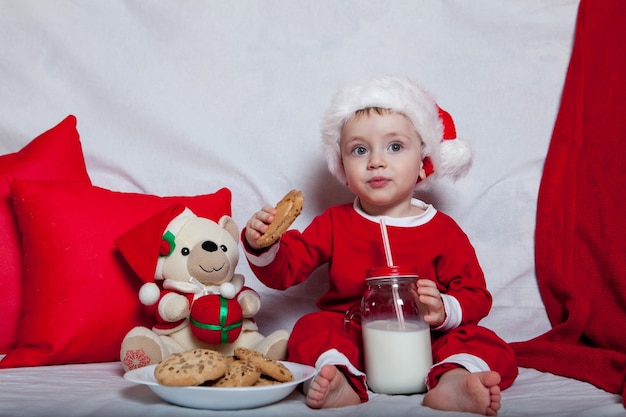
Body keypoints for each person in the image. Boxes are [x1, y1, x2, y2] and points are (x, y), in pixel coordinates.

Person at [242, 76, 518, 416]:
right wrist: (262, 245)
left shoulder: (443, 230)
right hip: (353, 333)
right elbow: (287, 269)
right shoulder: (334, 222)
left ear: (423, 162)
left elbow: (475, 293)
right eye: (360, 150)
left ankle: (454, 381)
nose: (376, 161)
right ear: (343, 166)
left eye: (395, 147)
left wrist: (444, 310)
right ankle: (339, 376)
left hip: (428, 339)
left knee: (487, 341)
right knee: (310, 328)